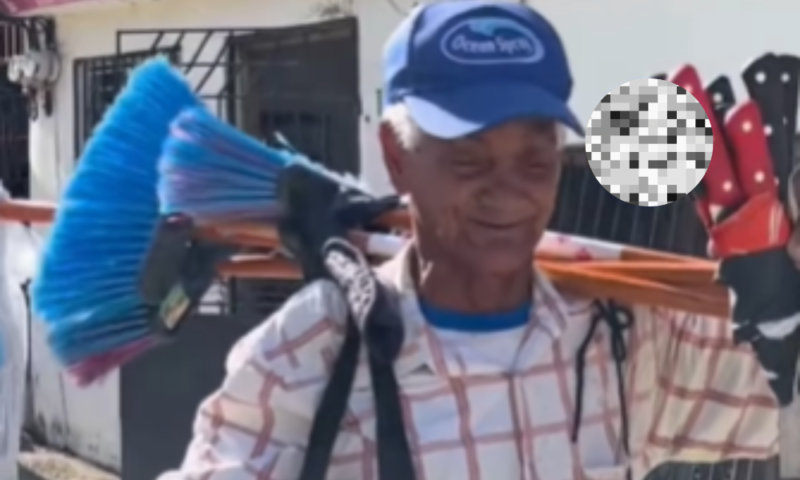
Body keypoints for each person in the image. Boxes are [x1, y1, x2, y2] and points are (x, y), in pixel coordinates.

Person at [158, 1, 800, 479]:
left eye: (536, 160)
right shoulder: (313, 351)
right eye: (468, 160)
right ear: (396, 158)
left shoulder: (621, 337)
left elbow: (779, 408)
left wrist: (781, 299)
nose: (508, 193)